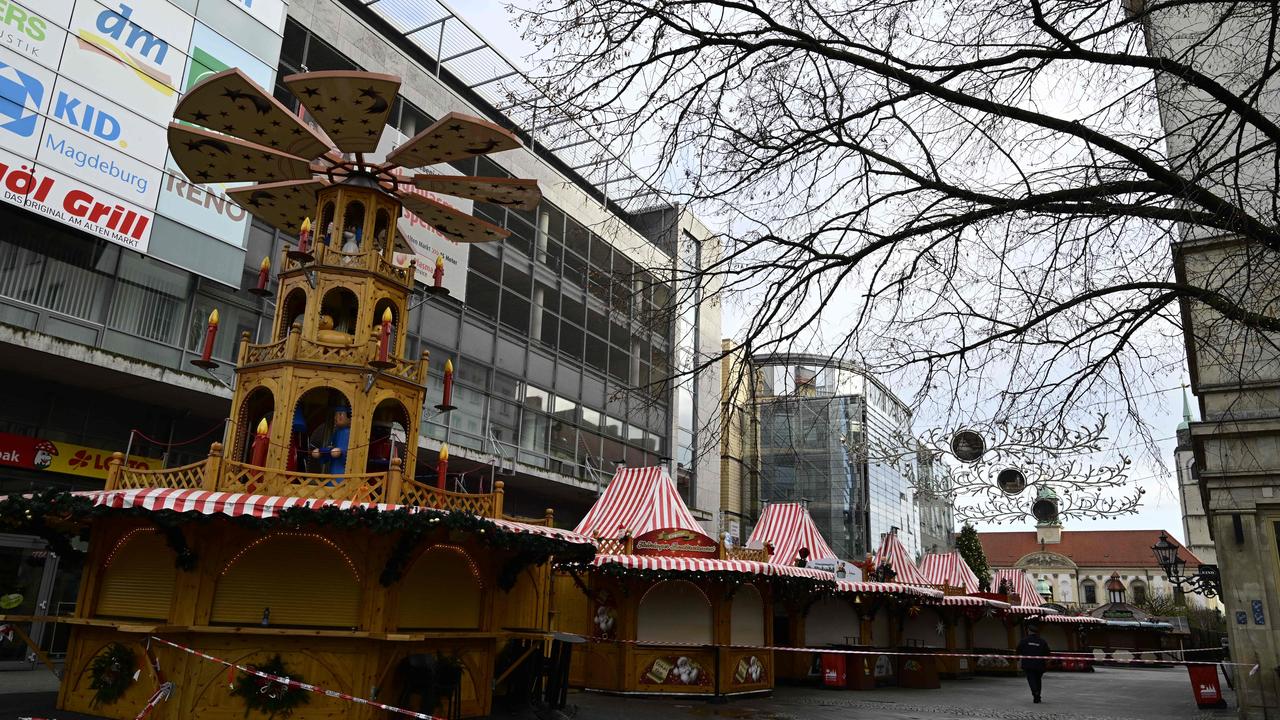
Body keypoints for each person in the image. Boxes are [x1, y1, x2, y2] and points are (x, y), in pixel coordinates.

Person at [1017, 621, 1052, 703]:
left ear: (1029, 631)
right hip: (1040, 665)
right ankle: (1038, 696)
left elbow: (1018, 650)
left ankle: (1035, 693)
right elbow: (1047, 652)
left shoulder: (1024, 641)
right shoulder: (1042, 641)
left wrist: (1018, 660)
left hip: (1028, 664)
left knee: (1031, 679)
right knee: (1038, 680)